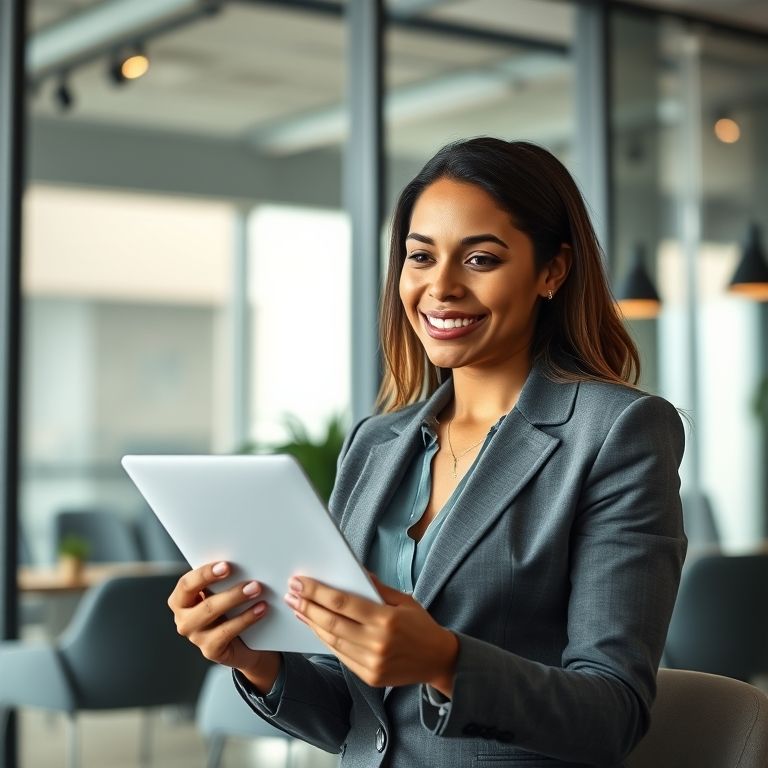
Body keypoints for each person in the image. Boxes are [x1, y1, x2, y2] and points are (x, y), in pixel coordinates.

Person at [168, 138, 686, 768]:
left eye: (481, 259)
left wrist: (444, 661)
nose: (441, 287)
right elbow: (361, 724)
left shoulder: (617, 432)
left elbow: (613, 715)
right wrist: (258, 662)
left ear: (552, 271)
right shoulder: (374, 445)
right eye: (421, 257)